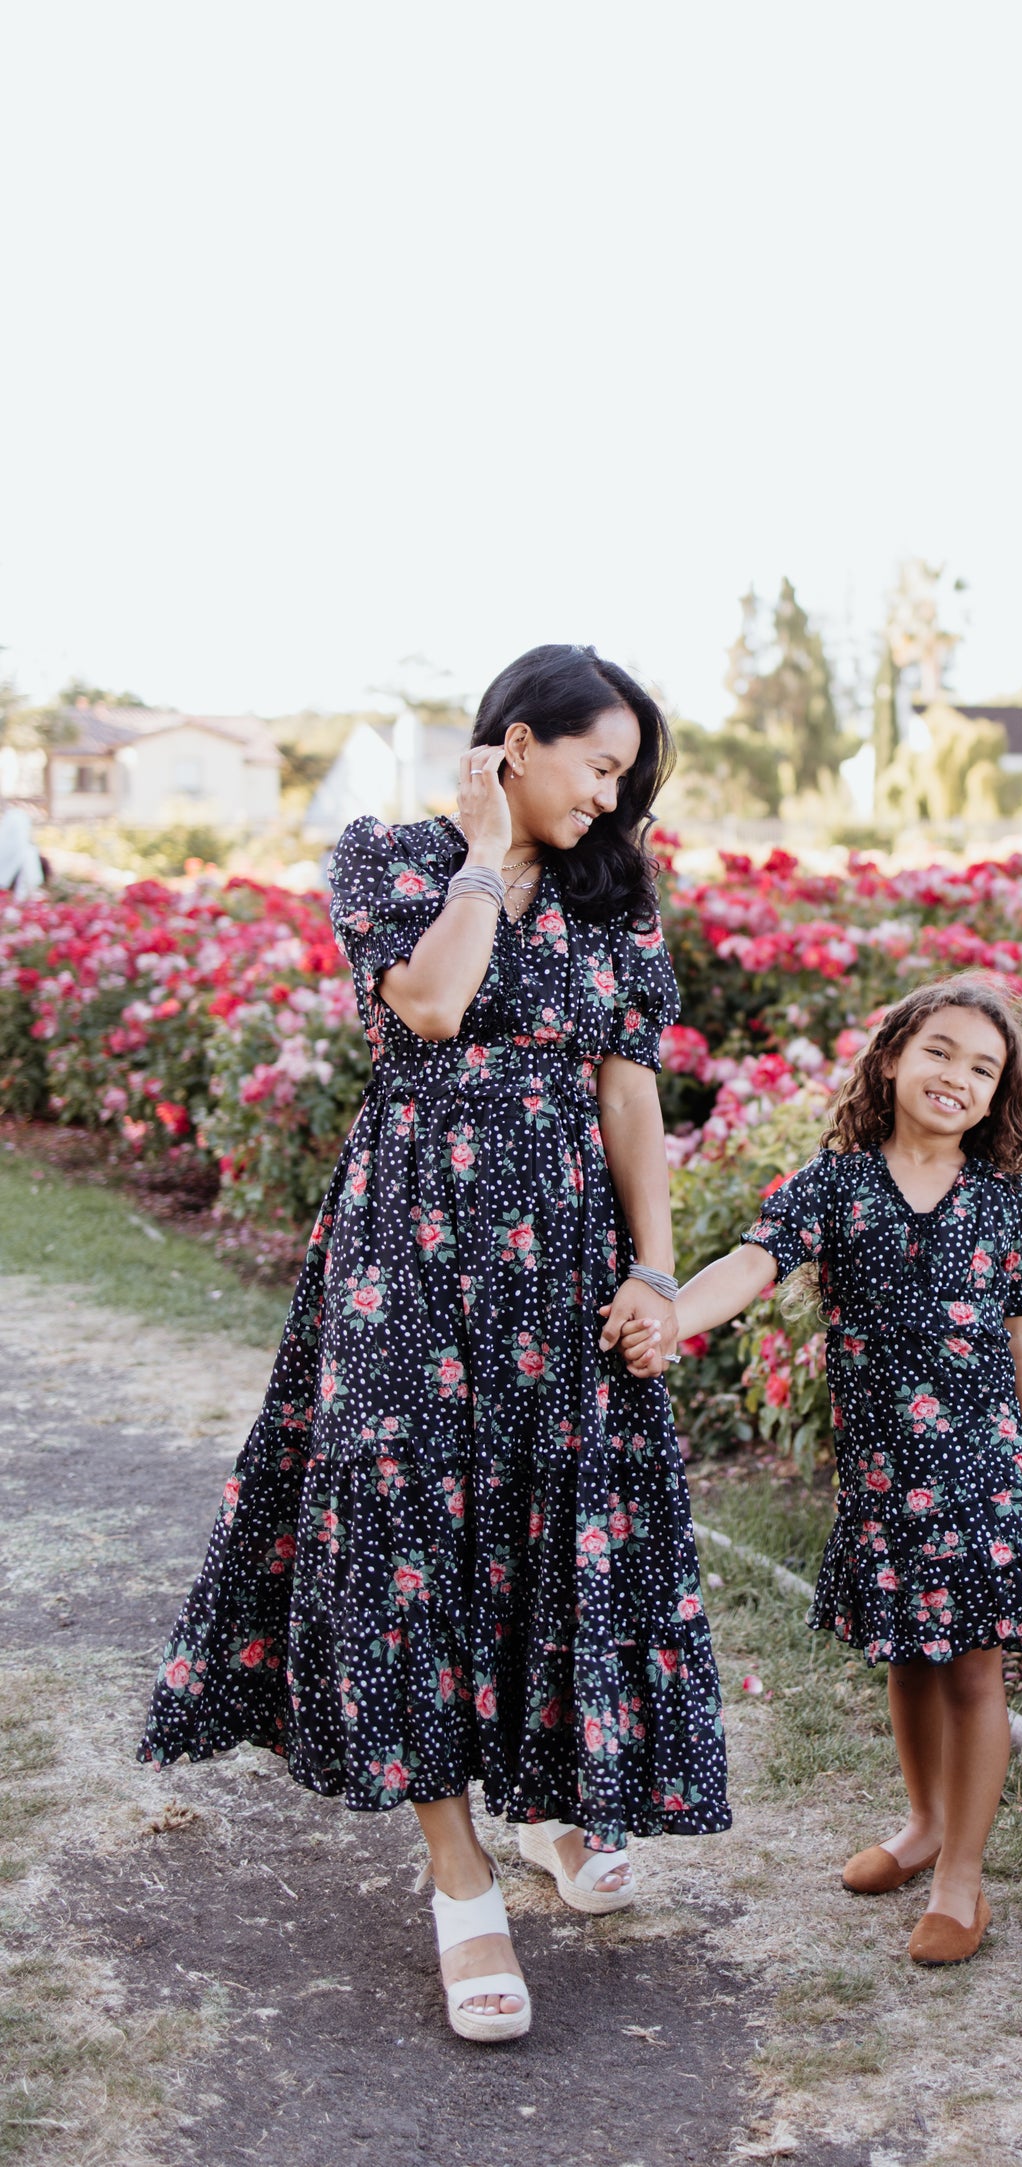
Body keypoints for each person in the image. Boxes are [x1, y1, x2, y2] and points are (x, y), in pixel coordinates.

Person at [139, 645, 730, 2042]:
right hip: (409, 1248)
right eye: (599, 764)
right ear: (515, 744)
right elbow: (433, 1003)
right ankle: (457, 1875)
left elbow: (629, 1090)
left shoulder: (616, 895)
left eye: (629, 776)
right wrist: (480, 852)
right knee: (408, 1526)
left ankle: (547, 1804)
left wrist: (653, 1265)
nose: (614, 794)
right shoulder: (388, 854)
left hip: (563, 1256)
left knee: (545, 1520)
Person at [620, 976, 1022, 1965]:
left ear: (999, 1095)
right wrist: (667, 1314)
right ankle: (919, 1828)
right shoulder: (833, 1185)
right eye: (940, 1051)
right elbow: (747, 1266)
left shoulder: (1003, 1202)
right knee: (908, 1657)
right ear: (889, 1059)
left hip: (983, 1473)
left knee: (972, 1670)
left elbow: (1016, 1330)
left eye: (982, 1067)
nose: (958, 1075)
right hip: (883, 1477)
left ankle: (961, 1876)